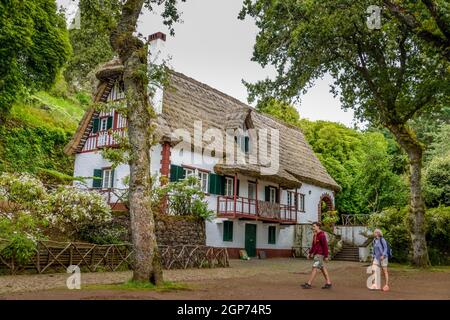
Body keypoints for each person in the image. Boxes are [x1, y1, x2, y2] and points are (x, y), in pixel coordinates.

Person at [301, 222, 332, 289]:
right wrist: (309, 253)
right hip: (317, 254)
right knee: (322, 268)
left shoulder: (322, 235)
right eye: (313, 226)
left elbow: (325, 246)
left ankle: (309, 284)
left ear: (318, 227)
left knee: (314, 267)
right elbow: (313, 246)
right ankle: (328, 283)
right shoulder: (315, 235)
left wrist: (326, 256)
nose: (313, 227)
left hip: (319, 255)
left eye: (314, 226)